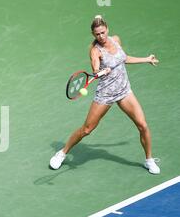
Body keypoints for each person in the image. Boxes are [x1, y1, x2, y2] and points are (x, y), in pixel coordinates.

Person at [49, 15, 160, 174]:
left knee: (143, 125)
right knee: (87, 129)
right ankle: (62, 153)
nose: (101, 36)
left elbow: (124, 58)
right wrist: (101, 71)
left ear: (107, 29)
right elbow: (95, 69)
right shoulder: (95, 51)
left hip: (124, 91)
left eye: (102, 32)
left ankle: (149, 160)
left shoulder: (116, 40)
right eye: (97, 34)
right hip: (105, 94)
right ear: (93, 35)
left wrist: (146, 59)